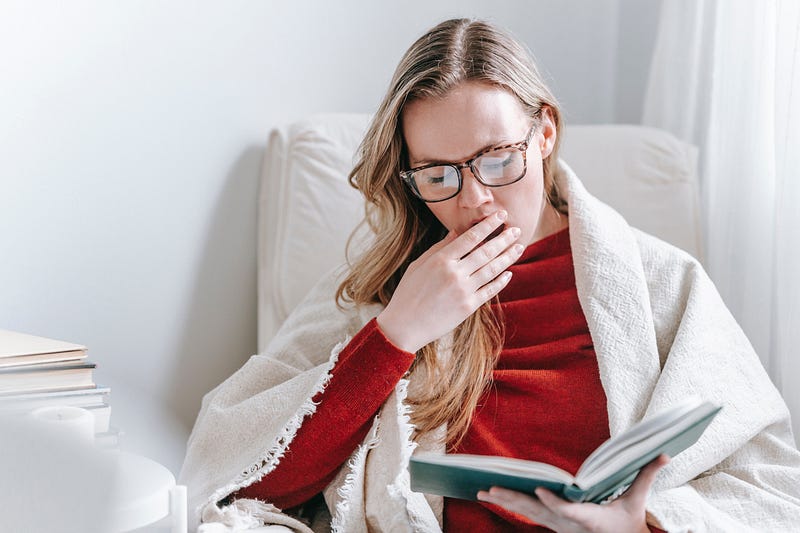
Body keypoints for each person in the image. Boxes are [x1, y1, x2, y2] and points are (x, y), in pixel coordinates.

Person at [179, 18, 800, 532]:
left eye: (498, 159)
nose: (475, 199)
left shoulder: (662, 280)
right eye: (439, 174)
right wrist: (397, 334)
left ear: (545, 133)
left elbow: (771, 485)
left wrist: (644, 526)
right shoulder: (384, 290)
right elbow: (236, 479)